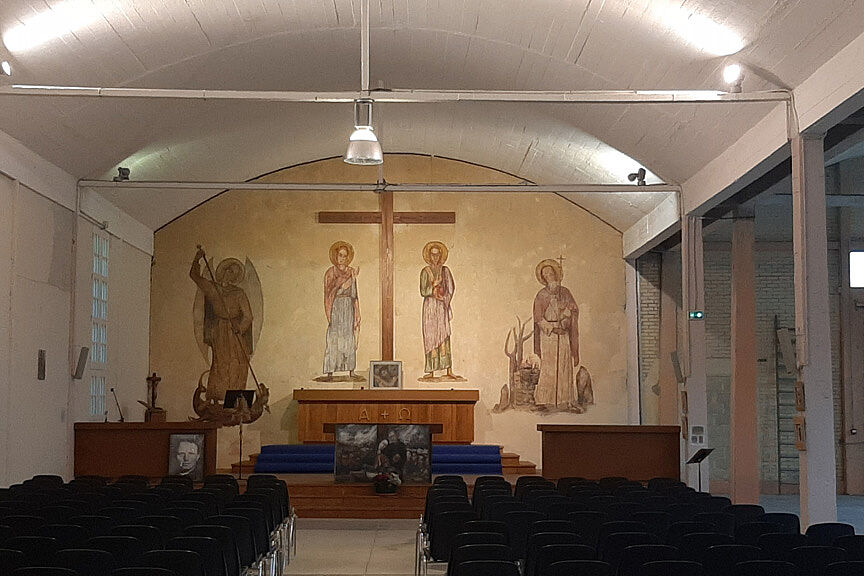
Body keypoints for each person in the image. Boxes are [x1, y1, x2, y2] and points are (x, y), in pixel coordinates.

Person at [190, 249, 254, 402]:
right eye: (227, 270)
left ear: (236, 277)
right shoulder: (213, 289)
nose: (229, 274)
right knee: (221, 363)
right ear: (222, 271)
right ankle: (217, 398)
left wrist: (240, 327)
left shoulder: (239, 293)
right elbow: (194, 277)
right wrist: (197, 259)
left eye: (233, 272)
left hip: (235, 331)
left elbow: (248, 316)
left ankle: (235, 401)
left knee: (239, 363)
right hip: (220, 330)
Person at [533, 259, 580, 410]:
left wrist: (567, 315)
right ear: (543, 278)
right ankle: (545, 401)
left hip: (563, 333)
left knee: (564, 365)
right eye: (545, 274)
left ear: (556, 273)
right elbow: (538, 317)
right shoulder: (541, 295)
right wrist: (552, 328)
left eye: (550, 272)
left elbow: (574, 310)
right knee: (549, 367)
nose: (549, 275)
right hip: (549, 336)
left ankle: (565, 401)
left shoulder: (565, 292)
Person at [323, 241, 361, 379]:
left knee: (348, 337)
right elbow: (329, 293)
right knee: (334, 338)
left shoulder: (351, 272)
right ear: (335, 256)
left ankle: (350, 370)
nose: (342, 258)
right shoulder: (330, 272)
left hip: (348, 307)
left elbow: (355, 294)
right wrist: (343, 285)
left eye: (345, 256)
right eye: (340, 255)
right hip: (337, 307)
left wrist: (357, 312)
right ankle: (330, 371)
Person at [420, 241, 455, 378]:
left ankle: (448, 370)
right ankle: (432, 370)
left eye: (437, 254)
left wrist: (444, 296)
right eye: (432, 255)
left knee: (443, 335)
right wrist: (432, 287)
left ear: (441, 255)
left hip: (441, 305)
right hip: (429, 307)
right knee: (431, 336)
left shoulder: (445, 270)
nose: (435, 257)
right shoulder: (425, 271)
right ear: (429, 256)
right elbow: (423, 290)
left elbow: (451, 288)